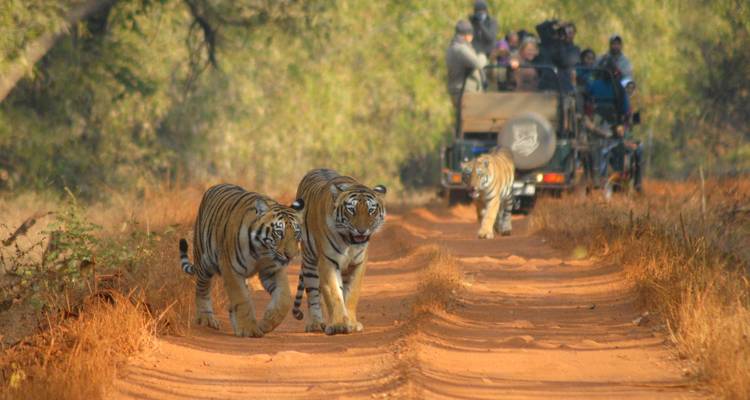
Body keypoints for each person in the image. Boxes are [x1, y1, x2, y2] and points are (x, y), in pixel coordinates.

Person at [446, 19, 487, 109]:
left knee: (462, 120)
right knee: (470, 120)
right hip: (465, 91)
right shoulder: (461, 49)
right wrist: (482, 55)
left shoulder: (452, 46)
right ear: (467, 35)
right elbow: (478, 64)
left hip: (458, 90)